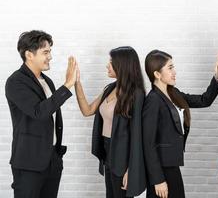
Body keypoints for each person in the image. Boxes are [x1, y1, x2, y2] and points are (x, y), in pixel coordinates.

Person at [5, 30, 77, 198]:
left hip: (52, 160)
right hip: (29, 163)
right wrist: (66, 86)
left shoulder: (47, 81)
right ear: (29, 54)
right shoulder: (15, 82)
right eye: (45, 52)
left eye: (50, 51)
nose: (50, 56)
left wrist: (57, 155)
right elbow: (38, 112)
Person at [142, 50, 218, 198]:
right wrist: (158, 180)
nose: (175, 72)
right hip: (161, 169)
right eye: (170, 68)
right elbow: (148, 144)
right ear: (157, 74)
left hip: (171, 165)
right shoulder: (153, 100)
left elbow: (204, 100)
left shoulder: (173, 93)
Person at [74, 46, 146, 197]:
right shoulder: (110, 88)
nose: (107, 65)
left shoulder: (136, 94)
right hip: (108, 150)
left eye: (111, 62)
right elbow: (87, 110)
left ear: (122, 65)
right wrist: (76, 83)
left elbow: (137, 135)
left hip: (123, 155)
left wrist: (131, 169)